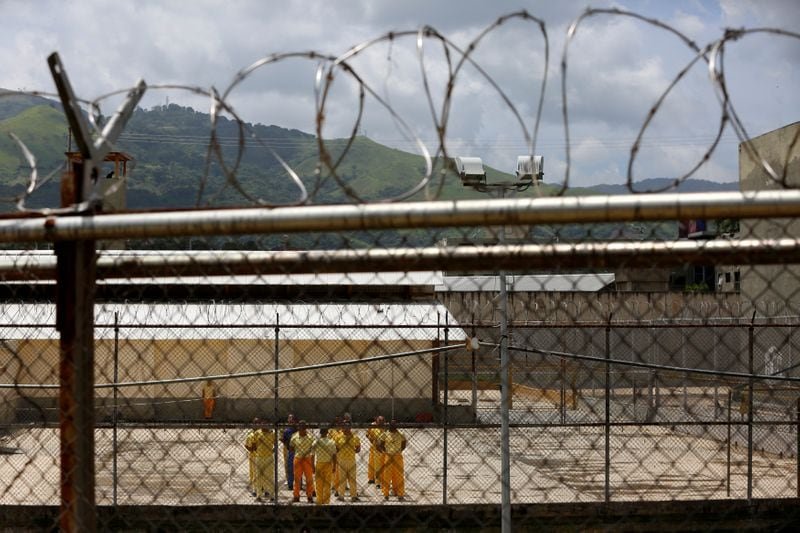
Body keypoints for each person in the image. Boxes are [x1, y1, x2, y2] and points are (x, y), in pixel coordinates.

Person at [245, 418, 276, 502]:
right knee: (258, 476)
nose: (264, 426)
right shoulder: (257, 433)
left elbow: (275, 443)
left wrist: (273, 449)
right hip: (259, 457)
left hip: (269, 457)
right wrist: (253, 449)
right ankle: (259, 495)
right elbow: (252, 445)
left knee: (270, 476)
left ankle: (271, 495)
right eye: (262, 425)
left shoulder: (272, 434)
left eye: (266, 425)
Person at [377, 419, 407, 501]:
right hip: (388, 456)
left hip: (398, 456)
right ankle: (386, 493)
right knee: (387, 475)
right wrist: (384, 451)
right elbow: (379, 444)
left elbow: (404, 443)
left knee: (399, 476)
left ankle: (400, 493)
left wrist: (400, 450)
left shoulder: (401, 434)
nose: (394, 426)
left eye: (395, 425)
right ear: (389, 425)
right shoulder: (385, 434)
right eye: (392, 425)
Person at [335, 420, 361, 501]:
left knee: (352, 479)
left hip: (351, 460)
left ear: (350, 427)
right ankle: (341, 496)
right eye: (344, 426)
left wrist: (354, 450)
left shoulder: (355, 437)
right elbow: (335, 448)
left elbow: (358, 448)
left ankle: (353, 496)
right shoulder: (338, 437)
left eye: (348, 426)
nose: (346, 428)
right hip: (341, 460)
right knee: (342, 479)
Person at [290, 420, 315, 502]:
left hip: (307, 459)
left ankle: (310, 495)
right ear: (298, 427)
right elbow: (291, 447)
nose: (302, 428)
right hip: (298, 458)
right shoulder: (294, 437)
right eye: (300, 426)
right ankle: (296, 496)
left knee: (309, 478)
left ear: (306, 428)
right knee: (297, 478)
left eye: (303, 427)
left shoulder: (310, 437)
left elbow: (313, 449)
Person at [313, 426, 337, 505]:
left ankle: (319, 501)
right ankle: (326, 502)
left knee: (319, 484)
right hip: (328, 463)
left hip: (319, 463)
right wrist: (334, 466)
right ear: (327, 433)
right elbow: (334, 455)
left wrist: (312, 466)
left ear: (320, 432)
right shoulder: (331, 442)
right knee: (327, 484)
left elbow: (312, 455)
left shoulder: (316, 442)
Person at [366, 415, 385, 487]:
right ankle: (371, 478)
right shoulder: (372, 426)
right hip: (373, 447)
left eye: (382, 421)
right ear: (376, 420)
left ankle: (378, 481)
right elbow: (367, 435)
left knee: (379, 465)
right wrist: (372, 440)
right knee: (371, 463)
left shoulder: (385, 427)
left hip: (381, 448)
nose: (381, 423)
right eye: (380, 421)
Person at [243, 418, 259, 496]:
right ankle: (254, 488)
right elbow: (246, 444)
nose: (256, 425)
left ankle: (261, 488)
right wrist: (251, 449)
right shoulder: (250, 433)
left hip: (261, 455)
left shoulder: (261, 433)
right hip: (253, 455)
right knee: (252, 472)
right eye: (254, 423)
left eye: (257, 423)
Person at [281, 414, 297, 490]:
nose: (291, 421)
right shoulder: (286, 431)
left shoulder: (297, 430)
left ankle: (298, 484)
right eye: (290, 419)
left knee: (298, 468)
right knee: (290, 467)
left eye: (292, 419)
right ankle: (290, 484)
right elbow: (283, 440)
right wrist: (288, 446)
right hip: (290, 451)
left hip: (298, 451)